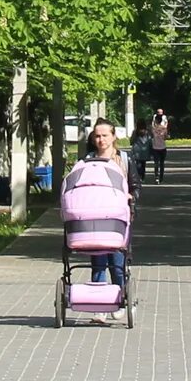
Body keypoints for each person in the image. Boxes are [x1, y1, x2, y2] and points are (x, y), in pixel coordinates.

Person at [68, 122, 129, 285]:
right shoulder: (86, 161)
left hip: (117, 217)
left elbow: (135, 184)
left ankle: (120, 299)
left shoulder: (123, 159)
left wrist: (131, 195)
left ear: (113, 136)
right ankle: (99, 302)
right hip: (93, 216)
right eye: (97, 136)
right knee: (98, 264)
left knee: (118, 265)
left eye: (105, 135)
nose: (101, 139)